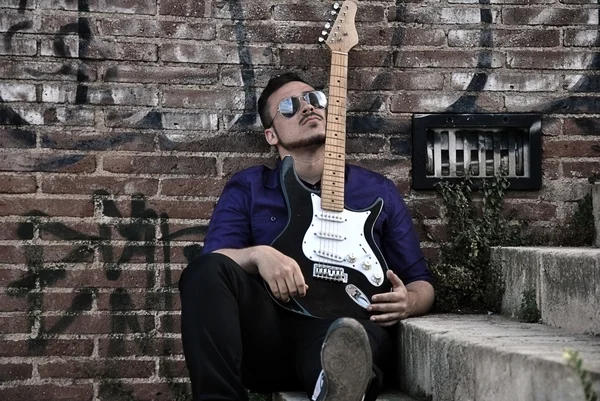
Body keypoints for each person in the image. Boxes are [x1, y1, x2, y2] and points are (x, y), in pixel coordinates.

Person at [179, 72, 435, 401]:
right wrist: (258, 255)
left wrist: (409, 301)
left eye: (315, 99)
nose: (307, 108)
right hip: (271, 333)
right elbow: (215, 262)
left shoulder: (377, 192)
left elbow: (420, 282)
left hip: (347, 325)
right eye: (289, 106)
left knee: (346, 343)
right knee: (202, 273)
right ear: (271, 134)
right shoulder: (250, 187)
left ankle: (336, 384)